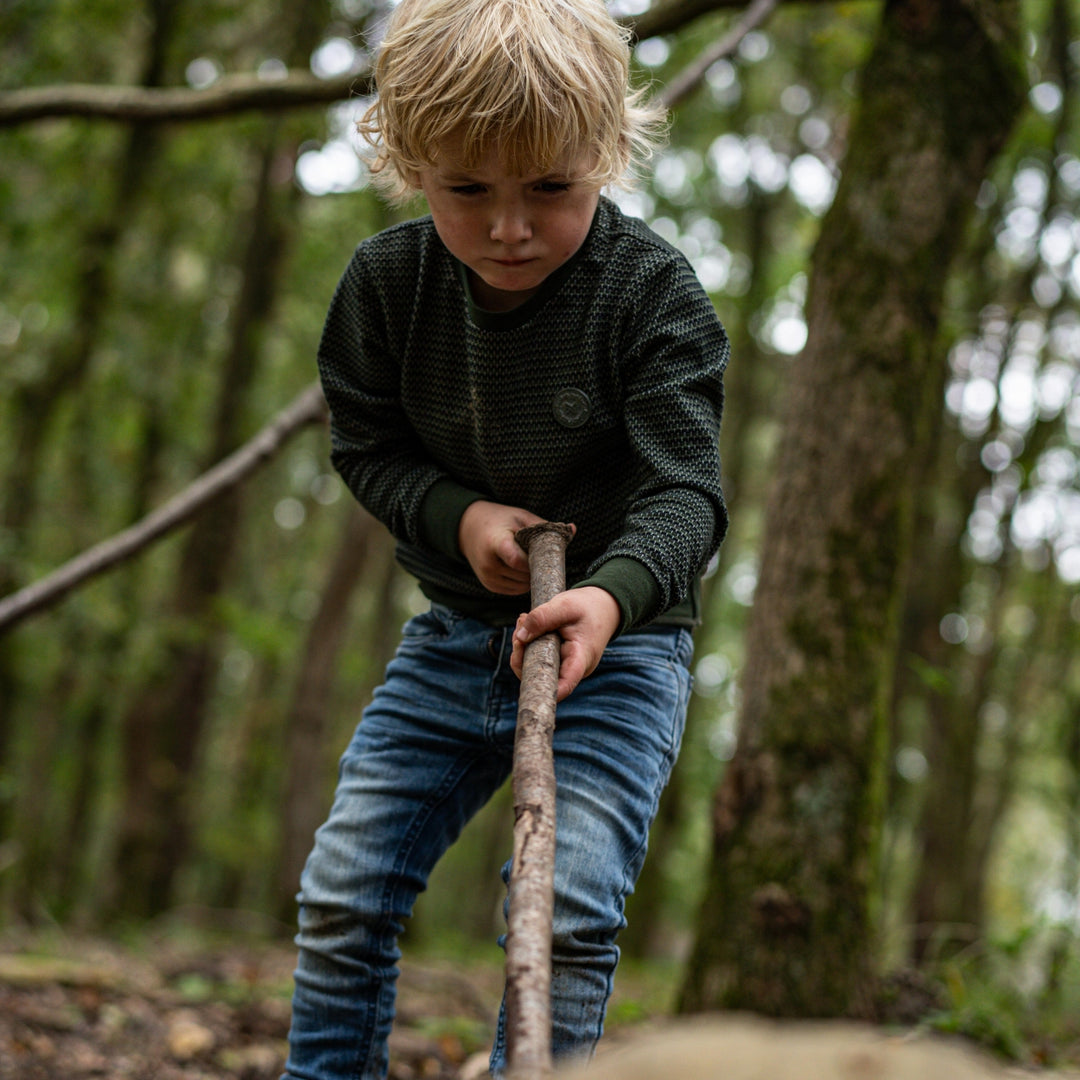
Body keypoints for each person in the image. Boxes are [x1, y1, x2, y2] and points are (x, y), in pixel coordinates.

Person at [283, 0, 729, 1075]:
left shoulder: (651, 296)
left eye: (550, 189)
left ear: (608, 154)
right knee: (343, 891)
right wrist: (459, 515)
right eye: (468, 190)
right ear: (409, 163)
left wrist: (612, 595)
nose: (509, 227)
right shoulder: (387, 290)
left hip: (618, 654)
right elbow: (368, 446)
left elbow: (689, 496)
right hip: (453, 640)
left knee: (566, 916)